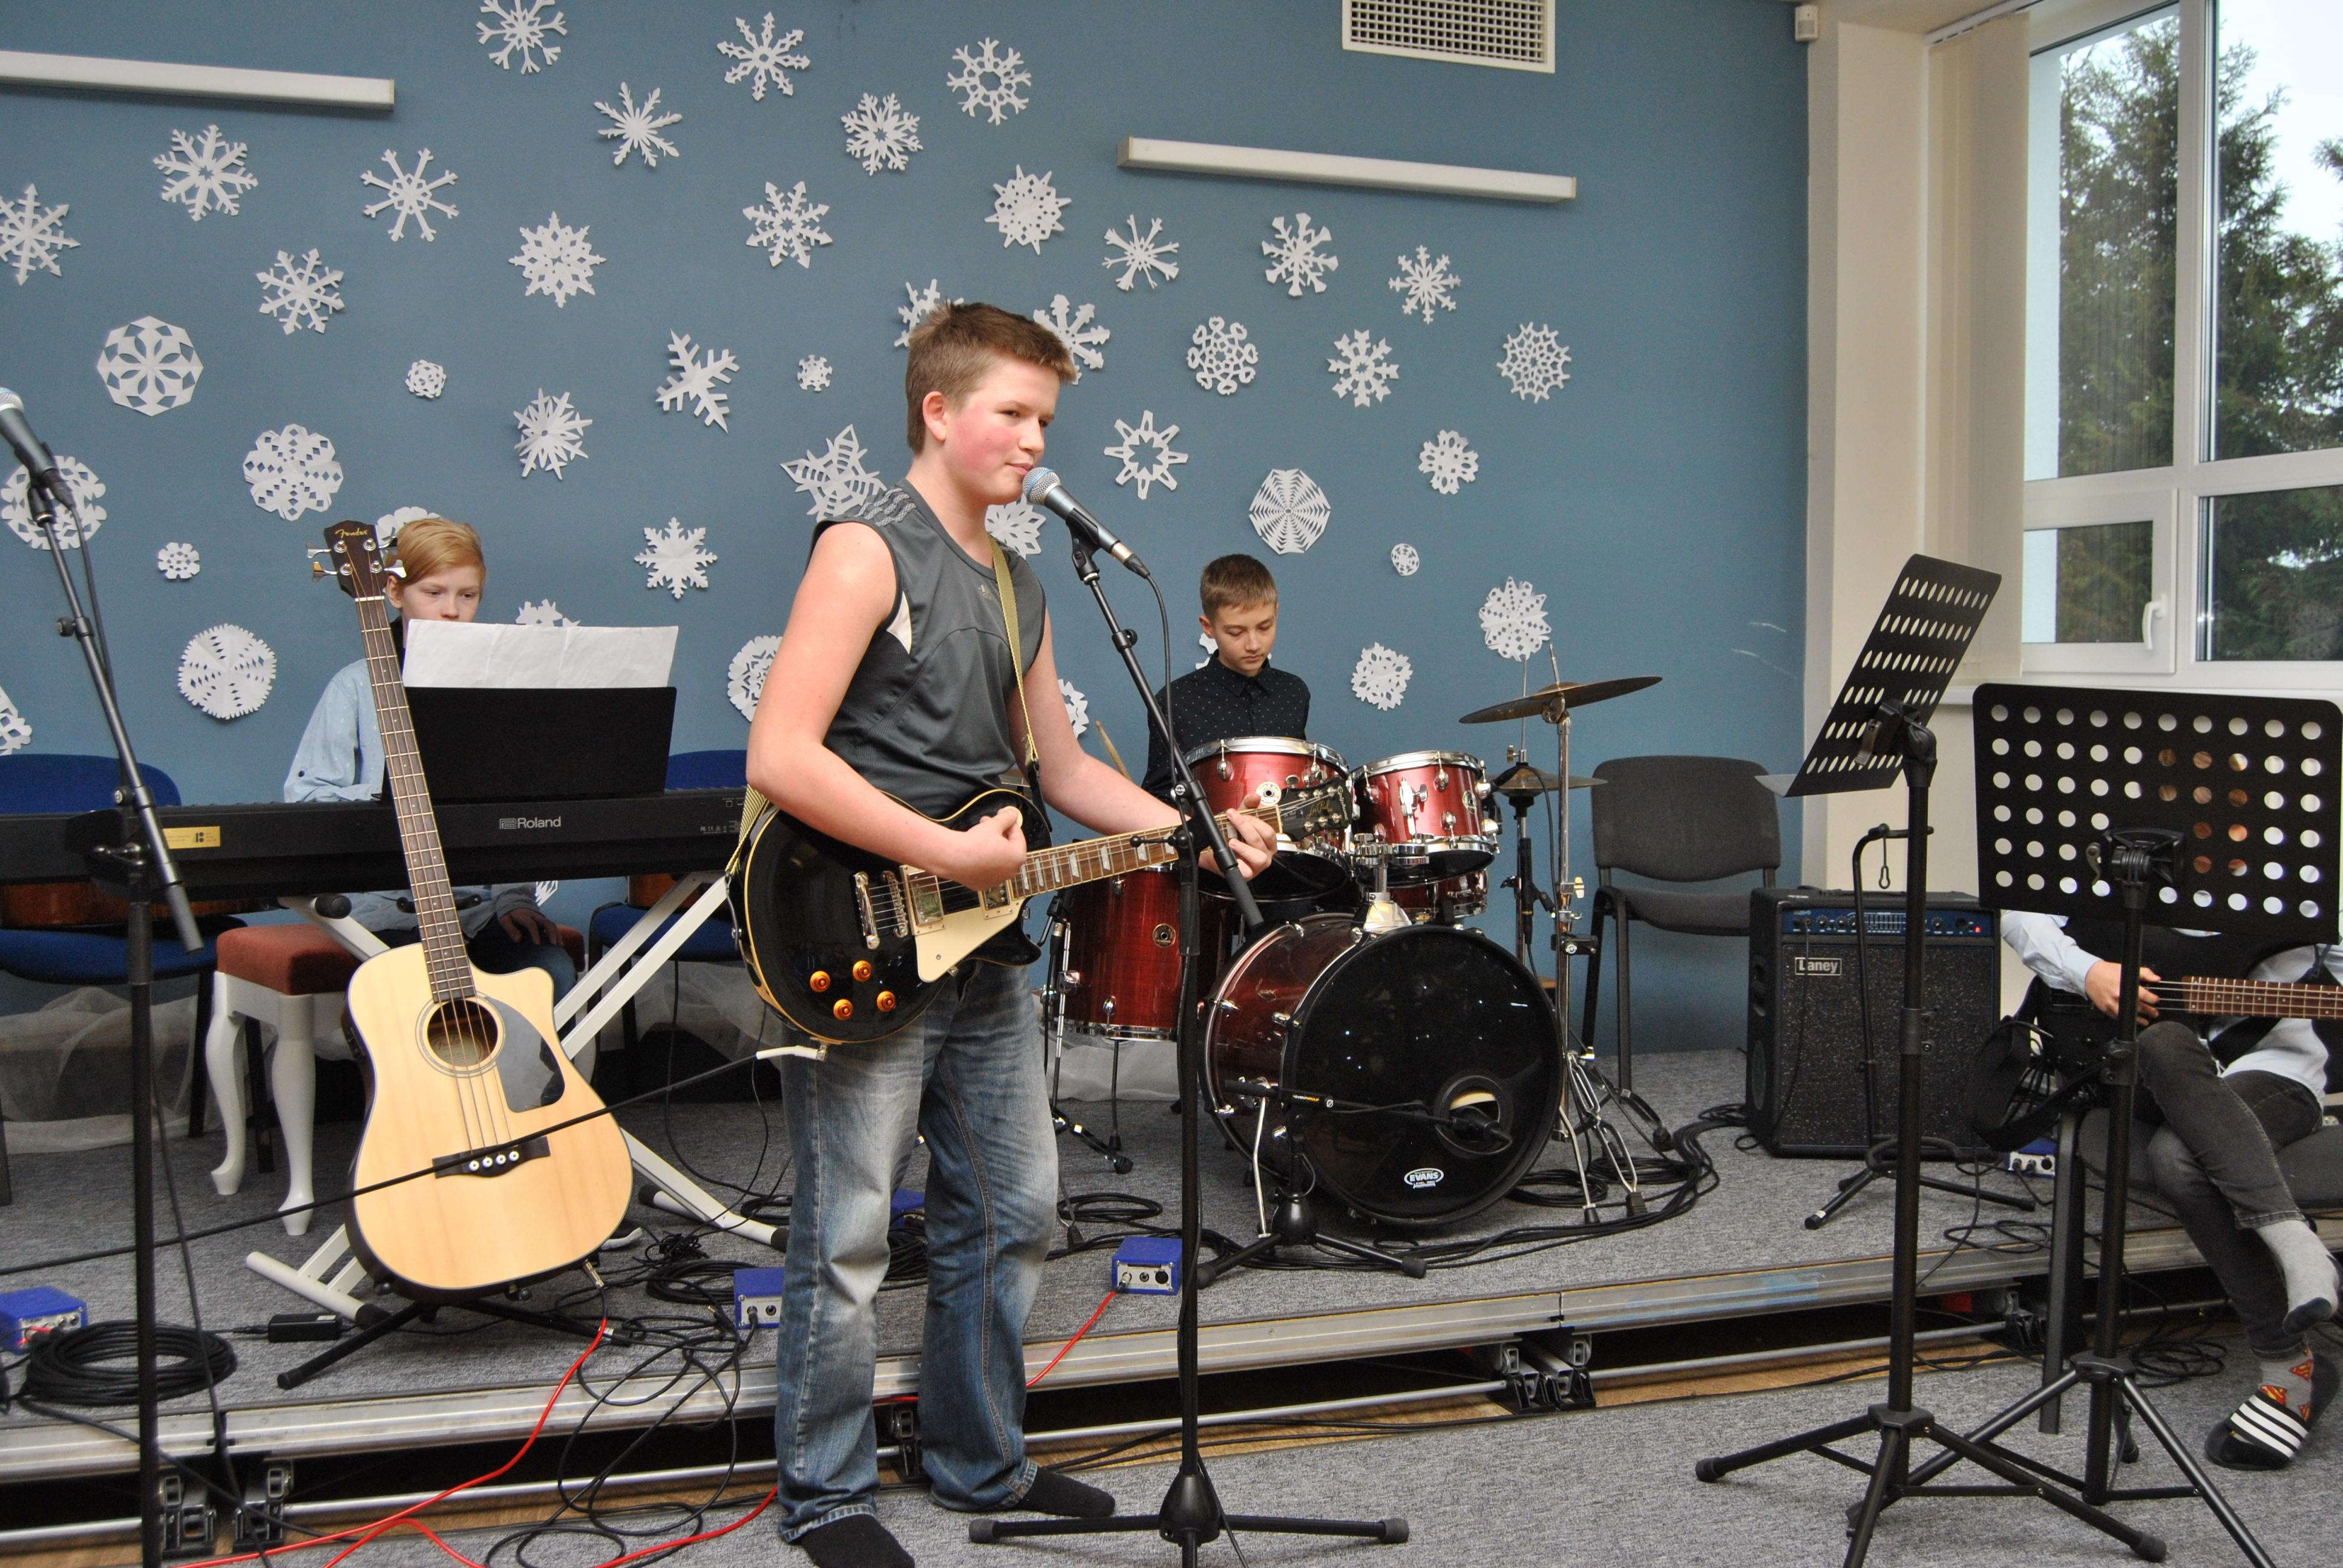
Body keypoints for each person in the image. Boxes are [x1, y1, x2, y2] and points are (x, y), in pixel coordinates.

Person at [744, 302, 1274, 1568]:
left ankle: (978, 1461)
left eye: (1046, 420)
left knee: (1015, 1207)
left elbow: (1064, 768)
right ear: (938, 410)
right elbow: (781, 754)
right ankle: (824, 1496)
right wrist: (942, 854)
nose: (1036, 441)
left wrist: (1198, 830)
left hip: (981, 945)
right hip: (859, 929)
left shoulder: (1019, 580)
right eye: (1014, 413)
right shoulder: (864, 550)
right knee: (848, 1229)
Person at [2003, 910, 2339, 1469]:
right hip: (2149, 1072)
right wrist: (2087, 972)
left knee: (2178, 1159)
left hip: (2275, 1074)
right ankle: (2299, 1251)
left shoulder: (2308, 876)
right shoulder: (2137, 861)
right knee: (2162, 1041)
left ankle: (2290, 1368)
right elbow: (2021, 915)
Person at [285, 516, 575, 996]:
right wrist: (389, 795)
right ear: (394, 592)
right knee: (406, 997)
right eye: (434, 592)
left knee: (550, 972)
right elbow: (306, 797)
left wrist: (514, 897)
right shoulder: (353, 686)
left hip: (479, 910)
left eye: (468, 595)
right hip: (385, 913)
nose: (452, 610)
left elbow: (519, 808)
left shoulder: (500, 688)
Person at [1139, 553, 1310, 801]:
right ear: (1208, 627)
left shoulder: (1293, 692)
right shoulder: (1175, 701)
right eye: (1236, 632)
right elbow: (1161, 797)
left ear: (1277, 613)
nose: (1254, 645)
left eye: (1264, 627)